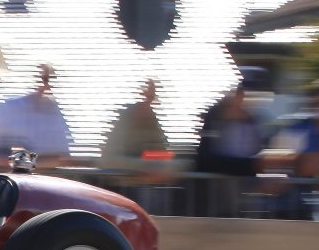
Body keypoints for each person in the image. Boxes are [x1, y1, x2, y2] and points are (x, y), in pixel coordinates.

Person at [193, 67, 269, 217]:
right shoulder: (214, 118)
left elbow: (258, 152)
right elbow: (206, 160)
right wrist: (251, 166)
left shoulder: (253, 121)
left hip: (244, 198)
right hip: (215, 201)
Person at [99, 79, 183, 211]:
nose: (149, 98)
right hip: (123, 192)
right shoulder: (125, 120)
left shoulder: (151, 119)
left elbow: (161, 153)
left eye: (152, 94)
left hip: (147, 190)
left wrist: (164, 165)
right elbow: (109, 159)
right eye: (147, 93)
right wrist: (144, 166)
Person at [0, 62, 73, 169]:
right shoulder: (10, 108)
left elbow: (62, 158)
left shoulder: (54, 114)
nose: (45, 86)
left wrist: (29, 164)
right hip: (3, 174)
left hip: (40, 175)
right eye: (42, 80)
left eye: (49, 81)